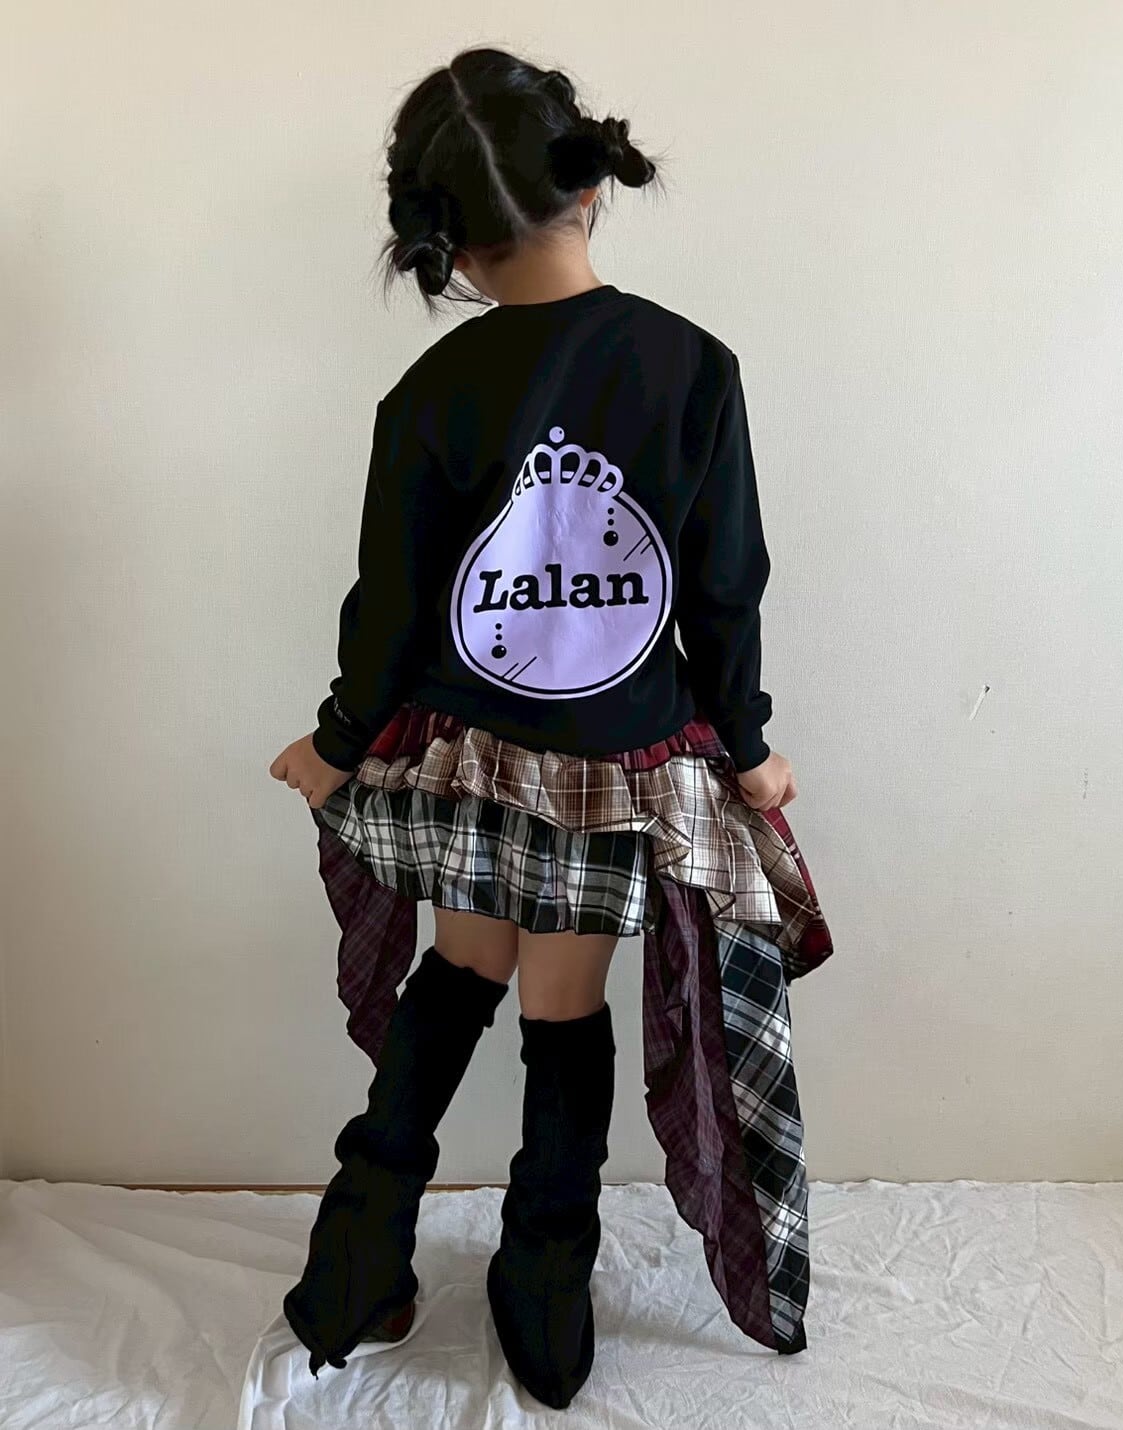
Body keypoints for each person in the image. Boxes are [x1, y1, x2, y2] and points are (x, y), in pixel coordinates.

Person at [269, 45, 833, 1412]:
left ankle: (355, 1264)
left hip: (466, 764)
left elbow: (390, 603)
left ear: (448, 244)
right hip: (608, 768)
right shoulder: (691, 368)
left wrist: (338, 740)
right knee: (560, 1011)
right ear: (590, 187)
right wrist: (748, 743)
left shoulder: (430, 393)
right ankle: (543, 1284)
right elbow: (724, 586)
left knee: (456, 973)